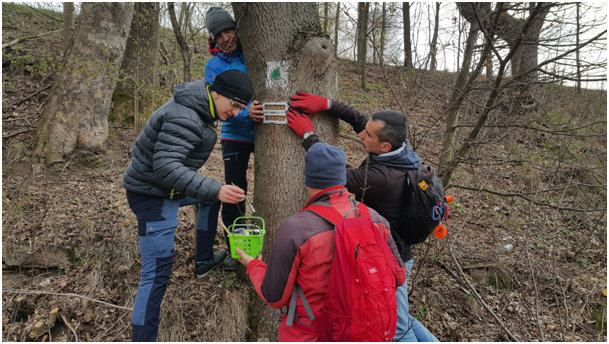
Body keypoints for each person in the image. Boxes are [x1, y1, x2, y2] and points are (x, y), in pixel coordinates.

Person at [286, 92, 439, 342]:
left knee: (398, 331)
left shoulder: (384, 179)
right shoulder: (401, 151)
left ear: (384, 147)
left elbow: (334, 174)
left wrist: (307, 135)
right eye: (365, 130)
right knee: (404, 318)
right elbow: (359, 120)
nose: (360, 134)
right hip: (393, 253)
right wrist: (328, 105)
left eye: (367, 135)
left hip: (392, 260)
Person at [122, 69, 254, 342]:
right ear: (217, 93)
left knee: (208, 198)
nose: (238, 113)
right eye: (235, 105)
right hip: (152, 196)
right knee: (155, 275)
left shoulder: (199, 109)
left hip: (163, 188)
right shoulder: (185, 116)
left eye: (242, 108)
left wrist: (213, 192)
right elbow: (167, 167)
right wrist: (217, 188)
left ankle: (204, 261)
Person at [235, 143, 406, 341]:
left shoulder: (296, 229)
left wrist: (253, 265)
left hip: (312, 334)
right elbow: (399, 277)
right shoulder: (375, 219)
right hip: (367, 331)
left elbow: (274, 296)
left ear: (308, 180)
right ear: (342, 178)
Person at [204, 6, 264, 271]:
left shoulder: (252, 52)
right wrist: (246, 112)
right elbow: (219, 104)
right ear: (213, 39)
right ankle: (234, 249)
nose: (226, 37)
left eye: (229, 30)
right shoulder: (213, 66)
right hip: (234, 134)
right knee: (235, 191)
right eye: (219, 35)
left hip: (264, 133)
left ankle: (260, 243)